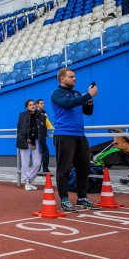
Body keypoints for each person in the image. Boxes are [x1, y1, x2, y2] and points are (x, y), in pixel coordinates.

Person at [51, 68, 100, 213]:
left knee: (84, 168)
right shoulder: (57, 93)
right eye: (71, 77)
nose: (74, 79)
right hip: (64, 135)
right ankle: (64, 199)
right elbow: (68, 104)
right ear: (62, 79)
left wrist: (89, 101)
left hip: (80, 135)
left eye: (75, 77)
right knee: (64, 169)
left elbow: (87, 112)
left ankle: (82, 198)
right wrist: (86, 96)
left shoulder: (78, 94)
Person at [17, 100, 47, 191]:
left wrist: (34, 141)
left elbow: (43, 130)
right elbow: (20, 128)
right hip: (25, 140)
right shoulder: (22, 115)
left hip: (36, 141)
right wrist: (28, 139)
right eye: (30, 105)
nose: (33, 106)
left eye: (34, 104)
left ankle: (29, 180)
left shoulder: (41, 116)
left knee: (37, 163)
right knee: (25, 162)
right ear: (27, 107)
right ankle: (26, 182)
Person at [35, 99, 54, 173]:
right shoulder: (36, 113)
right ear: (37, 105)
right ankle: (44, 170)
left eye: (43, 103)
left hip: (42, 136)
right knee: (44, 152)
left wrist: (54, 131)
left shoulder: (44, 113)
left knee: (42, 152)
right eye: (41, 103)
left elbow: (48, 123)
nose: (43, 104)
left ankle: (39, 169)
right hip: (38, 136)